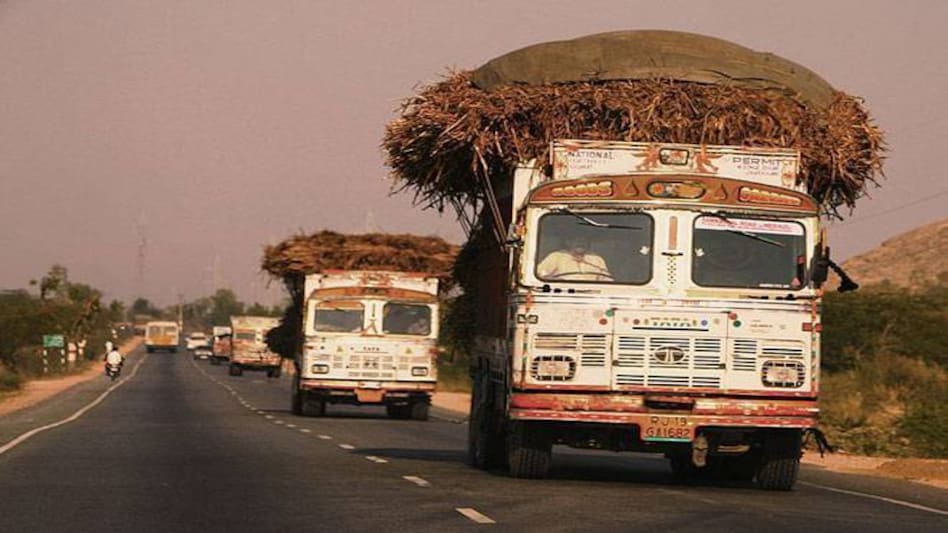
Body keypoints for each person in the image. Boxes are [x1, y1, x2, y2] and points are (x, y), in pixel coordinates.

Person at [537, 235, 613, 281]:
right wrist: (556, 280)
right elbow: (540, 274)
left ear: (588, 243)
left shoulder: (596, 259)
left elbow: (606, 279)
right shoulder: (556, 256)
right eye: (576, 240)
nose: (580, 243)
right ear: (568, 242)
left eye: (583, 240)